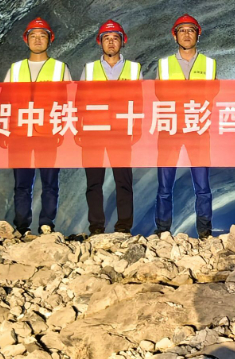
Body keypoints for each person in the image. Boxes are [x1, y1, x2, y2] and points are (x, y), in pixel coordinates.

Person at [4, 17, 71, 236]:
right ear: (26, 40)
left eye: (42, 35)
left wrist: (63, 129)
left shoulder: (60, 68)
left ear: (50, 39)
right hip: (20, 133)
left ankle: (46, 224)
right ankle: (22, 226)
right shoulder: (15, 69)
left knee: (50, 183)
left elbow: (68, 101)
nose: (38, 39)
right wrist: (4, 129)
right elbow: (4, 101)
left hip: (48, 134)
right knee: (22, 184)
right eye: (33, 35)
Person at [153, 14, 217, 238]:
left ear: (198, 34)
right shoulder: (163, 65)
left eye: (191, 30)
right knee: (164, 186)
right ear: (175, 36)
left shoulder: (209, 64)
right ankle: (162, 229)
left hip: (198, 130)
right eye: (182, 30)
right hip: (170, 129)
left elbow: (213, 95)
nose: (187, 34)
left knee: (202, 185)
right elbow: (158, 95)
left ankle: (204, 230)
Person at [79, 19, 140, 235]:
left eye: (115, 38)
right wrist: (79, 128)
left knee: (123, 182)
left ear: (123, 42)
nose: (111, 42)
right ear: (100, 42)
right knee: (94, 183)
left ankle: (123, 226)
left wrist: (137, 128)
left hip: (121, 133)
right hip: (94, 133)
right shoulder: (89, 69)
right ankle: (96, 226)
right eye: (107, 38)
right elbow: (80, 101)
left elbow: (140, 101)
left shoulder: (134, 69)